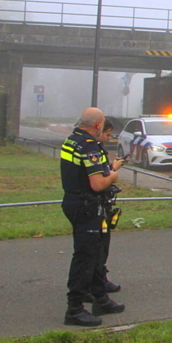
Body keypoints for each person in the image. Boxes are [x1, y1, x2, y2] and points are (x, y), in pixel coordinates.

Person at [60, 107, 125, 326]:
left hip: (75, 201)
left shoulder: (72, 140)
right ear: (98, 125)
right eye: (103, 125)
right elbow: (98, 183)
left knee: (96, 252)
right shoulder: (89, 147)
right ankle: (75, 309)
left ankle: (101, 299)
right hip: (87, 206)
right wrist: (113, 175)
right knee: (86, 257)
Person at [92, 118, 125, 297]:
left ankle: (99, 280)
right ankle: (96, 284)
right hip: (96, 205)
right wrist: (114, 171)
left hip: (100, 204)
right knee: (98, 247)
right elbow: (101, 178)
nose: (108, 137)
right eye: (107, 134)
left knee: (102, 246)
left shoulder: (95, 149)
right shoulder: (93, 150)